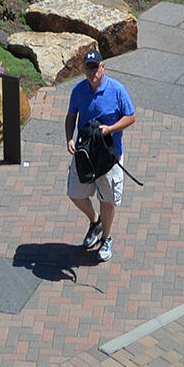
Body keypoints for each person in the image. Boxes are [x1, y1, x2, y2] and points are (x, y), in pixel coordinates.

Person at [64, 46, 135, 262]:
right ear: (84, 69)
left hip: (109, 156)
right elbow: (71, 116)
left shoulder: (117, 90)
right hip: (85, 155)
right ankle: (95, 222)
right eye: (89, 68)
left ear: (103, 67)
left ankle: (107, 237)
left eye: (96, 68)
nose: (93, 72)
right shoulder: (78, 90)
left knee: (108, 199)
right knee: (75, 193)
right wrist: (69, 138)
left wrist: (110, 129)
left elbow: (130, 117)